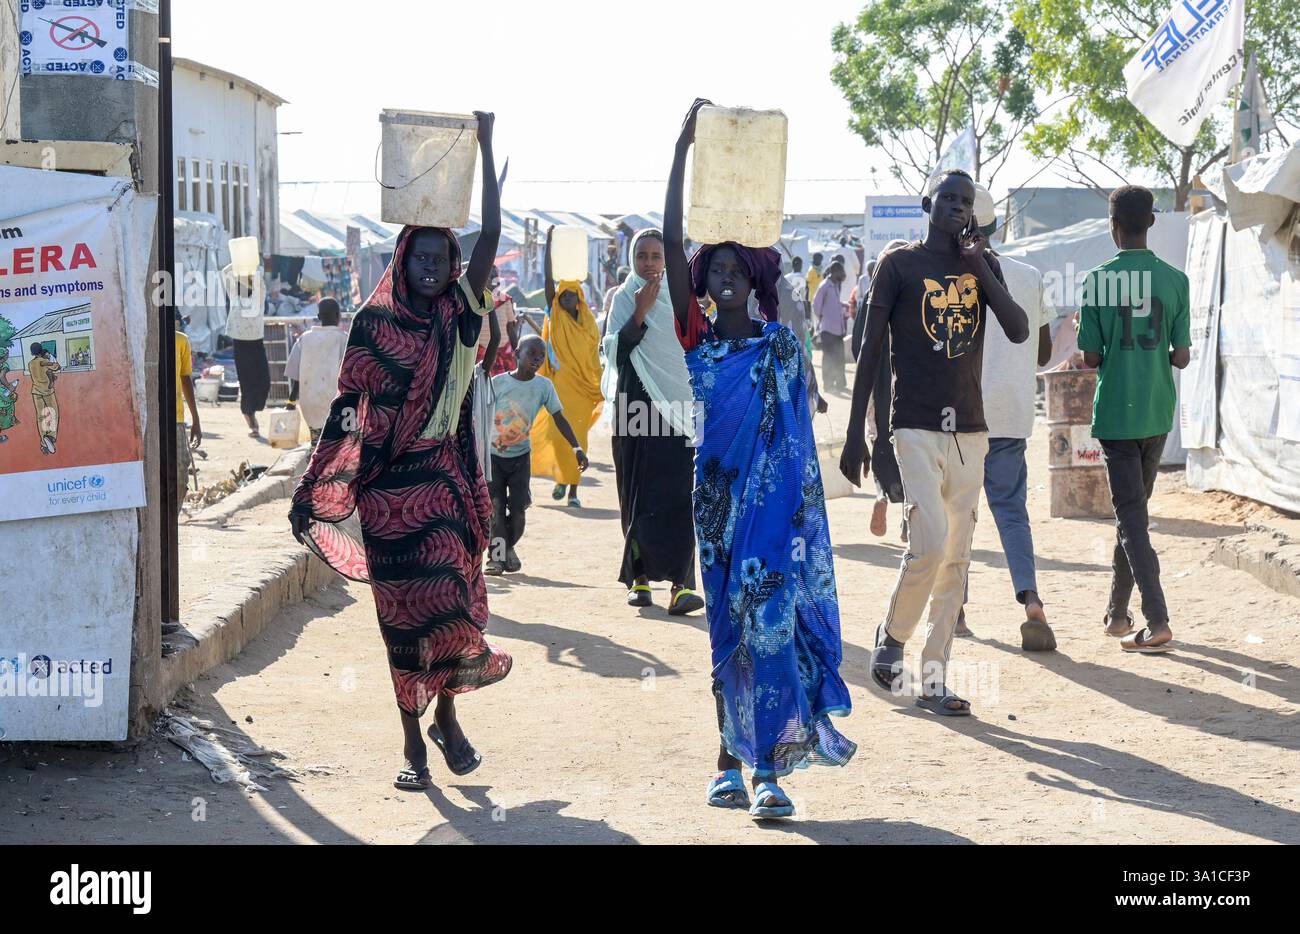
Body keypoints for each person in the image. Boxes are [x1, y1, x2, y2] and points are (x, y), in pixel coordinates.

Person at [289, 111, 511, 791]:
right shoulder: (373, 324)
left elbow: (492, 238)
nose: (431, 269)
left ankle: (447, 715)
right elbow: (352, 410)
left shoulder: (461, 316)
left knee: (451, 604)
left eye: (441, 261)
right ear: (402, 260)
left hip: (444, 482)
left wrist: (487, 144)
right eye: (420, 258)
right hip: (389, 494)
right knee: (402, 625)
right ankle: (412, 743)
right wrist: (330, 479)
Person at [666, 100, 855, 820]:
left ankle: (769, 769)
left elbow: (799, 439)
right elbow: (676, 235)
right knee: (725, 631)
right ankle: (725, 759)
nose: (720, 279)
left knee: (769, 629)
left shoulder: (781, 345)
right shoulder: (701, 346)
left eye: (731, 269)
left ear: (752, 278)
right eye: (710, 270)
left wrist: (800, 514)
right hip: (714, 508)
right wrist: (682, 150)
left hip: (772, 513)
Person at [841, 168, 1029, 717]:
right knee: (930, 541)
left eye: (964, 202)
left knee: (957, 558)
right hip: (914, 426)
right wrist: (859, 435)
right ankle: (894, 638)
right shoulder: (898, 266)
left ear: (973, 213)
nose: (954, 208)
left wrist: (978, 266)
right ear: (929, 203)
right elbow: (870, 351)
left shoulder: (981, 266)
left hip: (971, 431)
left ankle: (934, 677)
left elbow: (1018, 330)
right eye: (946, 198)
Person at [1077, 185, 1190, 654]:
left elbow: (1089, 356)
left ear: (1112, 224)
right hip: (1157, 412)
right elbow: (1181, 357)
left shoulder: (1097, 280)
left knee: (1131, 520)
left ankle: (1157, 619)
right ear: (1152, 223)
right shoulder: (1175, 280)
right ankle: (1117, 614)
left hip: (1117, 415)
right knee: (1134, 517)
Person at [955, 185, 1057, 651]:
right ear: (997, 226)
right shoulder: (1030, 275)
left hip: (960, 414)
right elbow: (1042, 352)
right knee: (1012, 512)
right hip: (1012, 413)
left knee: (959, 513)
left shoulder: (948, 276)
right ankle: (1032, 602)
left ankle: (955, 606)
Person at [603, 228, 703, 614]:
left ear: (667, 260)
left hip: (680, 406)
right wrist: (640, 311)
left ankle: (682, 585)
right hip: (635, 406)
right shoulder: (624, 297)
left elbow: (694, 349)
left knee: (681, 493)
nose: (648, 262)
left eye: (656, 256)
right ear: (632, 258)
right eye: (641, 255)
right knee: (637, 491)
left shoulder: (683, 297)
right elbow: (614, 353)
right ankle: (639, 579)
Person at [487, 334, 588, 575]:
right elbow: (478, 415)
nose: (537, 359)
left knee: (519, 509)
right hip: (493, 456)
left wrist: (577, 448)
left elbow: (559, 418)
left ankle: (508, 547)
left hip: (521, 457)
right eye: (531, 353)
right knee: (497, 508)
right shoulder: (497, 383)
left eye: (541, 355)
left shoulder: (544, 386)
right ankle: (496, 559)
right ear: (516, 354)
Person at [530, 227, 604, 508]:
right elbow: (548, 279)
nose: (566, 299)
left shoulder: (588, 324)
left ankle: (573, 492)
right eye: (562, 296)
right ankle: (561, 480)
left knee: (579, 438)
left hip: (582, 391)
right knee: (557, 434)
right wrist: (549, 244)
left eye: (570, 295)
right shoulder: (555, 314)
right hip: (560, 386)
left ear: (579, 297)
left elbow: (593, 357)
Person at [851, 239, 910, 539]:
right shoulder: (914, 294)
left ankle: (880, 495)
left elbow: (856, 348)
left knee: (879, 443)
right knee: (911, 450)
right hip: (908, 386)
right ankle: (907, 518)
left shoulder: (870, 298)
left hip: (875, 385)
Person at [285, 298, 348, 445]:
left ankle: (316, 459)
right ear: (338, 316)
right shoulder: (344, 340)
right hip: (336, 403)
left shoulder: (304, 339)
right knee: (335, 444)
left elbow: (296, 375)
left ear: (319, 317)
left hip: (310, 403)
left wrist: (291, 400)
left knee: (317, 442)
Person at [222, 263, 269, 439]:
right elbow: (225, 273)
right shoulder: (234, 297)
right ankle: (251, 421)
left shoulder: (259, 297)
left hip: (256, 343)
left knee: (264, 382)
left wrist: (250, 262)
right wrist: (239, 259)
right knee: (247, 383)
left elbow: (259, 277)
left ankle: (252, 412)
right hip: (240, 344)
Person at [175, 310, 202, 510]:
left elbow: (186, 379)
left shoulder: (181, 341)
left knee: (180, 473)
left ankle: (172, 517)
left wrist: (196, 420)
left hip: (176, 419)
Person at [814, 261, 849, 390]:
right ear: (835, 272)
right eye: (841, 271)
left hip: (838, 329)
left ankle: (840, 383)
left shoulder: (835, 285)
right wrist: (824, 318)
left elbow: (832, 303)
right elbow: (816, 306)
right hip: (828, 329)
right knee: (828, 357)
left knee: (839, 357)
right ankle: (828, 384)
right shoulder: (825, 286)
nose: (843, 274)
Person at [478, 265, 519, 377]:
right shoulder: (474, 302)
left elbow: (510, 329)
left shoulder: (505, 300)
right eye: (489, 276)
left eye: (495, 276)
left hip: (503, 354)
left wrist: (516, 350)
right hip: (480, 355)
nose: (492, 280)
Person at [27, 343, 60, 455]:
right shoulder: (43, 361)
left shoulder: (31, 363)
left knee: (40, 417)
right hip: (47, 392)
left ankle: (43, 441)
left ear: (32, 353)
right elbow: (56, 367)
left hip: (36, 391)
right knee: (53, 413)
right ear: (41, 351)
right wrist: (51, 357)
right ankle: (51, 436)